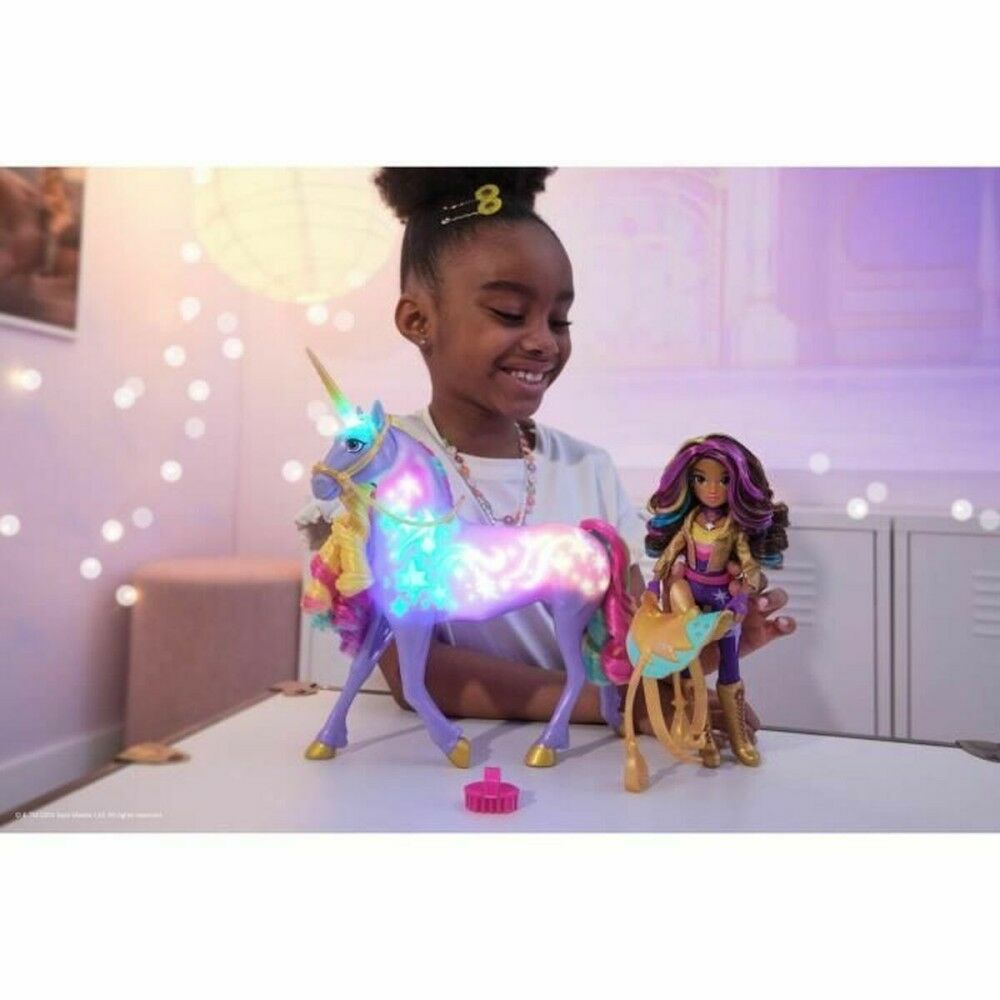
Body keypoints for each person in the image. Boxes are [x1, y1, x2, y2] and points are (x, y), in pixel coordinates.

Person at [298, 166, 795, 739]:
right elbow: (418, 674)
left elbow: (628, 648)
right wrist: (614, 707)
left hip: (586, 772)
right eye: (509, 314)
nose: (543, 340)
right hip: (438, 771)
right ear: (418, 320)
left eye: (559, 320)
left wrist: (708, 646)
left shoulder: (588, 469)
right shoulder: (379, 473)